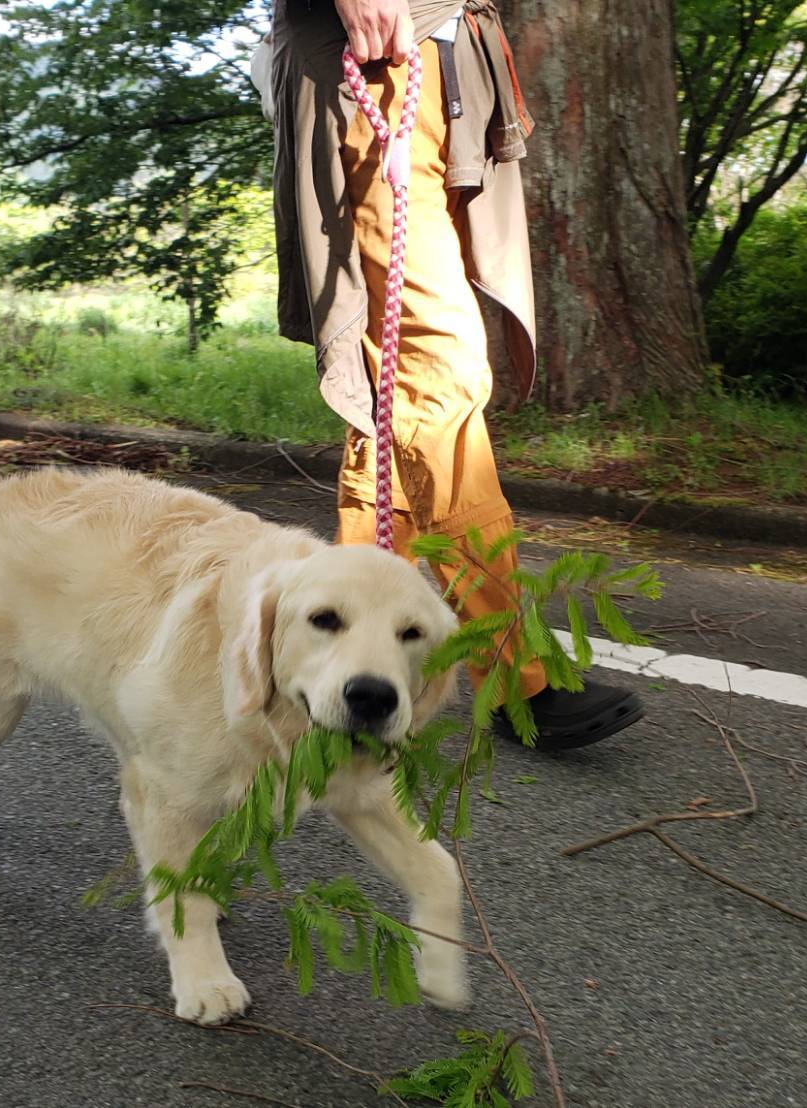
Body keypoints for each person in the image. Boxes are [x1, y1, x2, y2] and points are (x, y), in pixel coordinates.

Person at [262, 0, 644, 750]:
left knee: (401, 405)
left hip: (439, 61)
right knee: (437, 375)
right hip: (374, 53)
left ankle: (345, 660)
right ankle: (517, 673)